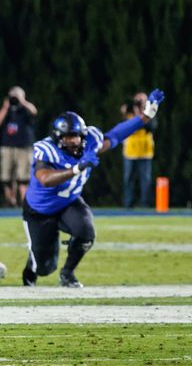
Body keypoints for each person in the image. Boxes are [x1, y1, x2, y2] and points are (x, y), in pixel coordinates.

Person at [22, 90, 165, 288]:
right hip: (40, 210)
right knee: (45, 268)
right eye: (67, 137)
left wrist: (144, 117)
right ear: (57, 137)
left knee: (86, 232)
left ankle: (68, 273)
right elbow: (44, 178)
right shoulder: (45, 150)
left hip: (69, 203)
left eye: (76, 137)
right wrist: (76, 168)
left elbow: (116, 135)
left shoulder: (90, 141)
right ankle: (33, 264)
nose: (73, 141)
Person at [0, 86, 37, 207]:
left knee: (23, 176)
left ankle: (24, 200)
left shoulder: (25, 110)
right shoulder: (7, 111)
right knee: (6, 176)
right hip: (7, 147)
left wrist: (22, 101)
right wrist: (5, 107)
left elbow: (34, 112)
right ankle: (10, 200)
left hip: (24, 147)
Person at [121, 92, 155, 208]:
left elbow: (151, 127)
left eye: (142, 100)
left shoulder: (150, 113)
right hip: (130, 152)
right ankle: (128, 204)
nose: (140, 103)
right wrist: (131, 111)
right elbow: (127, 126)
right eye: (138, 100)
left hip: (145, 152)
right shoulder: (128, 113)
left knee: (145, 180)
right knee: (128, 179)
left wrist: (142, 112)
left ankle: (145, 204)